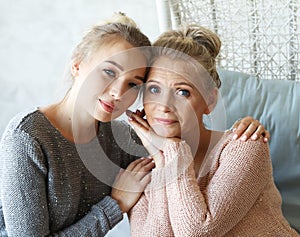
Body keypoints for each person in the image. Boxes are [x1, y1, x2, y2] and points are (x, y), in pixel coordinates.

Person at [0, 12, 269, 236]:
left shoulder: (130, 144)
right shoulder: (28, 138)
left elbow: (193, 229)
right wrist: (116, 203)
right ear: (77, 64)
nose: (118, 92)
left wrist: (170, 151)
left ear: (209, 100)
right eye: (109, 71)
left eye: (132, 84)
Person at [127, 24, 299, 236]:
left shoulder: (245, 145)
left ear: (210, 100)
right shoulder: (142, 171)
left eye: (182, 92)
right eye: (154, 89)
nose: (164, 105)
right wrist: (160, 159)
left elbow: (198, 231)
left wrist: (171, 150)